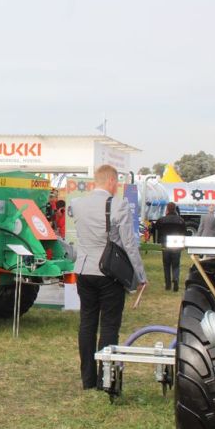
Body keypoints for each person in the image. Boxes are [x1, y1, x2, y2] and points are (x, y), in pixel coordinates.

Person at [69, 165, 147, 390]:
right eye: (117, 183)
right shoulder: (118, 205)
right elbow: (129, 244)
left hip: (83, 270)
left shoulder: (77, 204)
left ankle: (88, 379)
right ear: (111, 181)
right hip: (108, 272)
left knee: (87, 323)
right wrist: (140, 275)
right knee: (110, 325)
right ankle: (105, 378)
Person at [154, 202, 186, 291]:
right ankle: (175, 278)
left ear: (167, 209)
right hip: (176, 243)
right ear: (175, 209)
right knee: (176, 265)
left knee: (166, 265)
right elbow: (184, 232)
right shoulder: (180, 220)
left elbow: (156, 228)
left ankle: (168, 285)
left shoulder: (161, 220)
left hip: (166, 244)